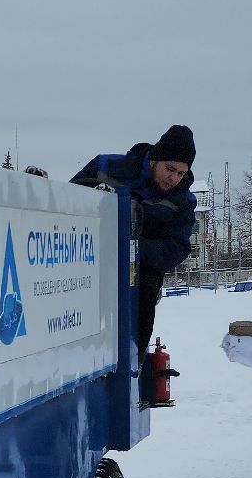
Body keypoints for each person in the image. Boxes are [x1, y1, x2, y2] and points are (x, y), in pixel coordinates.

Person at [71, 125, 198, 354]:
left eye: (181, 173)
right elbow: (67, 200)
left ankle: (133, 360)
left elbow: (176, 247)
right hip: (87, 256)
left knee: (144, 293)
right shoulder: (106, 167)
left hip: (140, 267)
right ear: (155, 158)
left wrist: (130, 247)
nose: (174, 178)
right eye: (170, 169)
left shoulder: (183, 201)